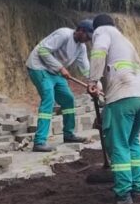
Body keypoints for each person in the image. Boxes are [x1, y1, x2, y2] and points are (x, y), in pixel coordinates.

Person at [87, 14, 140, 204]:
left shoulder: (102, 31)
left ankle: (123, 193)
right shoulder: (124, 41)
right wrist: (101, 87)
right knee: (132, 142)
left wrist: (92, 80)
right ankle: (137, 186)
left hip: (123, 95)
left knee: (119, 145)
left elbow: (99, 51)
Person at [26, 20, 94, 152]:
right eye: (87, 36)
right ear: (80, 30)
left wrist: (93, 82)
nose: (87, 40)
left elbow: (85, 68)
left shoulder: (81, 47)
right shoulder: (64, 34)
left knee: (68, 99)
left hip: (55, 72)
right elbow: (43, 51)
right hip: (38, 67)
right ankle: (39, 142)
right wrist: (60, 68)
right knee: (49, 99)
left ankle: (69, 134)